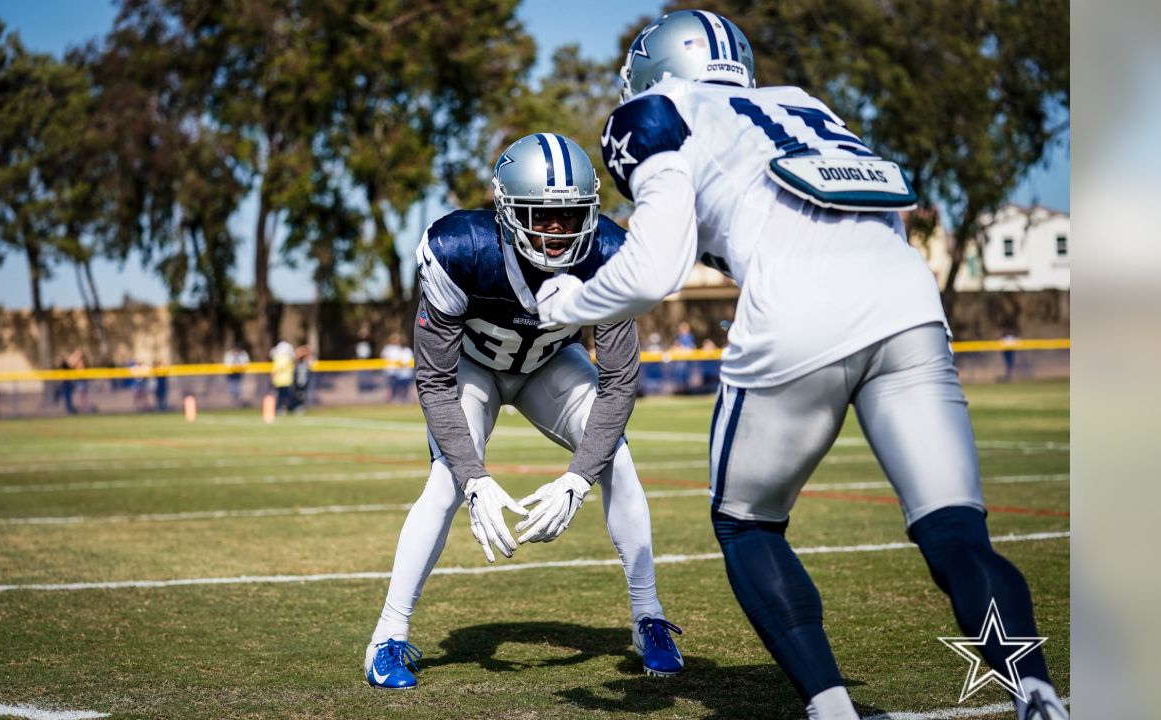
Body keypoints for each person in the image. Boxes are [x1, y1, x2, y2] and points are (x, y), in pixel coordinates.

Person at [534, 11, 1066, 720]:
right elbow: (883, 210)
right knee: (956, 532)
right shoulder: (804, 104)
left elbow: (653, 270)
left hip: (797, 312)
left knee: (747, 525)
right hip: (906, 299)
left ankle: (830, 706)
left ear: (652, 69)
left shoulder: (654, 111)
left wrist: (571, 302)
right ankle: (1037, 692)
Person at [363, 133, 683, 690]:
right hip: (471, 370)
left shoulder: (608, 251)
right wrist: (475, 479)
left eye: (569, 215)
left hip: (551, 368)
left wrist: (578, 478)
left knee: (618, 463)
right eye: (541, 214)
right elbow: (435, 381)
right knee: (444, 481)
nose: (556, 231)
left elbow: (619, 381)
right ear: (507, 208)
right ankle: (387, 637)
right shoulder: (460, 247)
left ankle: (648, 617)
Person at [379, 334, 414, 404]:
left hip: (403, 373)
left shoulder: (405, 350)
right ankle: (390, 400)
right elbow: (383, 356)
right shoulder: (388, 348)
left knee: (405, 389)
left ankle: (406, 399)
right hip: (392, 372)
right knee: (391, 389)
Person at [270, 340, 296, 414]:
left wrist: (272, 378)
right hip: (285, 381)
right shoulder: (287, 358)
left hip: (280, 381)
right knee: (285, 396)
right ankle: (288, 408)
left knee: (282, 396)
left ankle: (282, 408)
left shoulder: (280, 358)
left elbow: (274, 370)